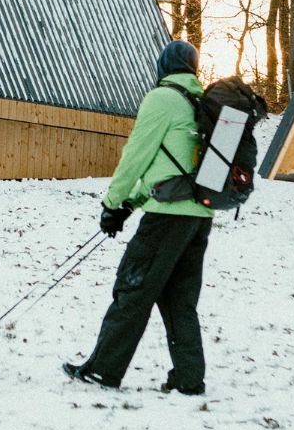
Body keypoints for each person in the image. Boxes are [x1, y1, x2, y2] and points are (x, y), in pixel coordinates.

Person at [62, 39, 213, 395]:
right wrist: (132, 203)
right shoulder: (200, 103)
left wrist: (113, 203)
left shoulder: (161, 99)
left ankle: (103, 371)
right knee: (179, 300)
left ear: (163, 65)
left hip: (166, 218)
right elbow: (173, 167)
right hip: (199, 217)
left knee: (132, 288)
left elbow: (137, 156)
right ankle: (189, 379)